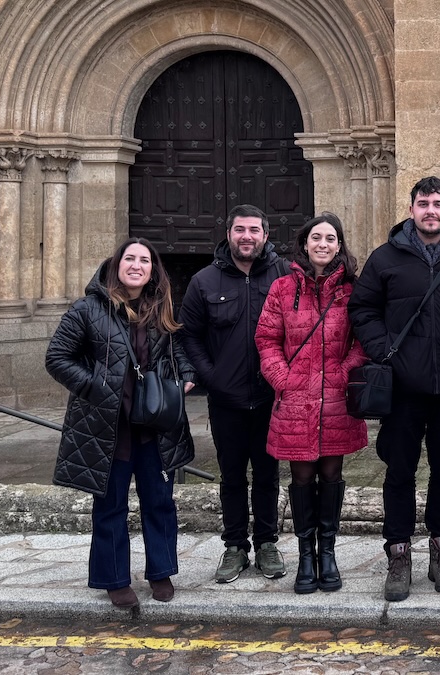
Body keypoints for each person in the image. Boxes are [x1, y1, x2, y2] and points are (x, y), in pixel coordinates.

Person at [46, 238, 197, 610]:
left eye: (144, 260)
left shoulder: (160, 310)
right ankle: (113, 578)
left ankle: (160, 571)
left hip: (154, 424)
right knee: (110, 505)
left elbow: (177, 350)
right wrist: (93, 387)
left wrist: (188, 374)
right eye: (129, 258)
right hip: (107, 426)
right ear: (116, 265)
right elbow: (57, 357)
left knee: (160, 501)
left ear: (152, 271)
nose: (136, 265)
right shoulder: (87, 309)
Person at [349, 176, 440, 601]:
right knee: (399, 473)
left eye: (438, 203)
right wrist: (383, 349)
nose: (430, 210)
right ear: (411, 210)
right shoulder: (385, 257)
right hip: (402, 388)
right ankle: (399, 555)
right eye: (423, 203)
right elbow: (362, 308)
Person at [255, 212, 369, 595]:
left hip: (337, 398)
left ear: (340, 245)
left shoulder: (352, 290)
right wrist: (284, 380)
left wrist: (342, 373)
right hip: (296, 399)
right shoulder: (283, 289)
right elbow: (267, 339)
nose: (323, 244)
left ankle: (329, 552)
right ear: (304, 244)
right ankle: (307, 554)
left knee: (332, 475)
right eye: (316, 237)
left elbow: (363, 340)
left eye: (331, 238)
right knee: (302, 477)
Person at [179, 204, 291, 584]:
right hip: (226, 399)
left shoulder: (284, 275)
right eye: (240, 230)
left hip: (270, 396)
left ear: (265, 234)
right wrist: (209, 376)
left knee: (267, 475)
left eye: (254, 230)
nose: (247, 237)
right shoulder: (204, 281)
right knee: (231, 476)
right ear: (229, 234)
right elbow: (188, 334)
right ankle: (234, 547)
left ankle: (266, 545)